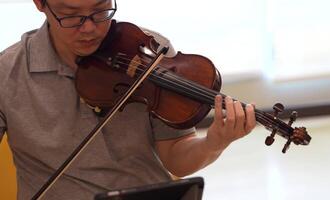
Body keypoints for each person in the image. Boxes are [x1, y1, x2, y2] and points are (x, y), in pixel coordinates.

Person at [0, 0, 256, 199]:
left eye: (101, 10)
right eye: (71, 15)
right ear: (40, 4)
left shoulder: (150, 51)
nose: (89, 28)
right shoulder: (7, 72)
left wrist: (214, 143)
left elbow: (176, 157)